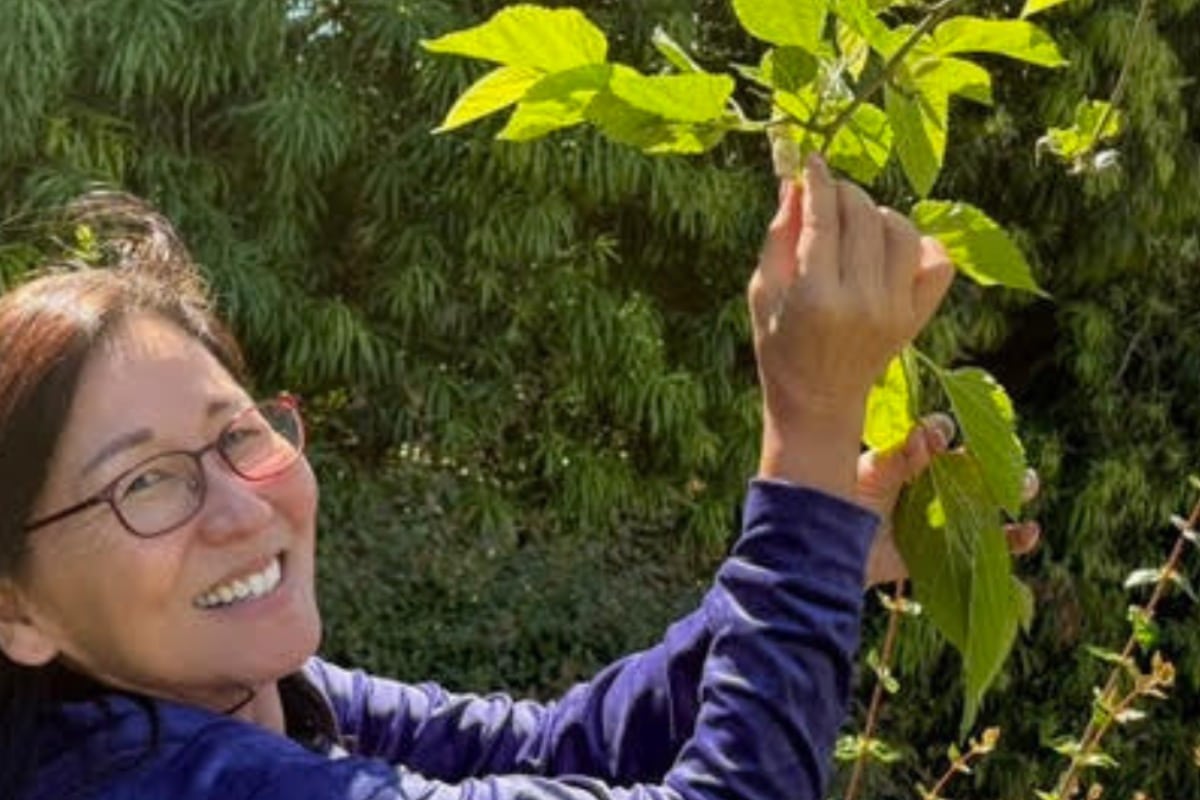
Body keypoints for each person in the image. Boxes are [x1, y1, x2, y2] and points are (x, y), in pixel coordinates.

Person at [0, 155, 1035, 800]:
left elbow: (559, 743)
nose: (237, 504)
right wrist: (808, 436)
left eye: (237, 435)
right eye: (145, 483)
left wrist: (821, 543)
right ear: (17, 608)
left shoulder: (255, 699)